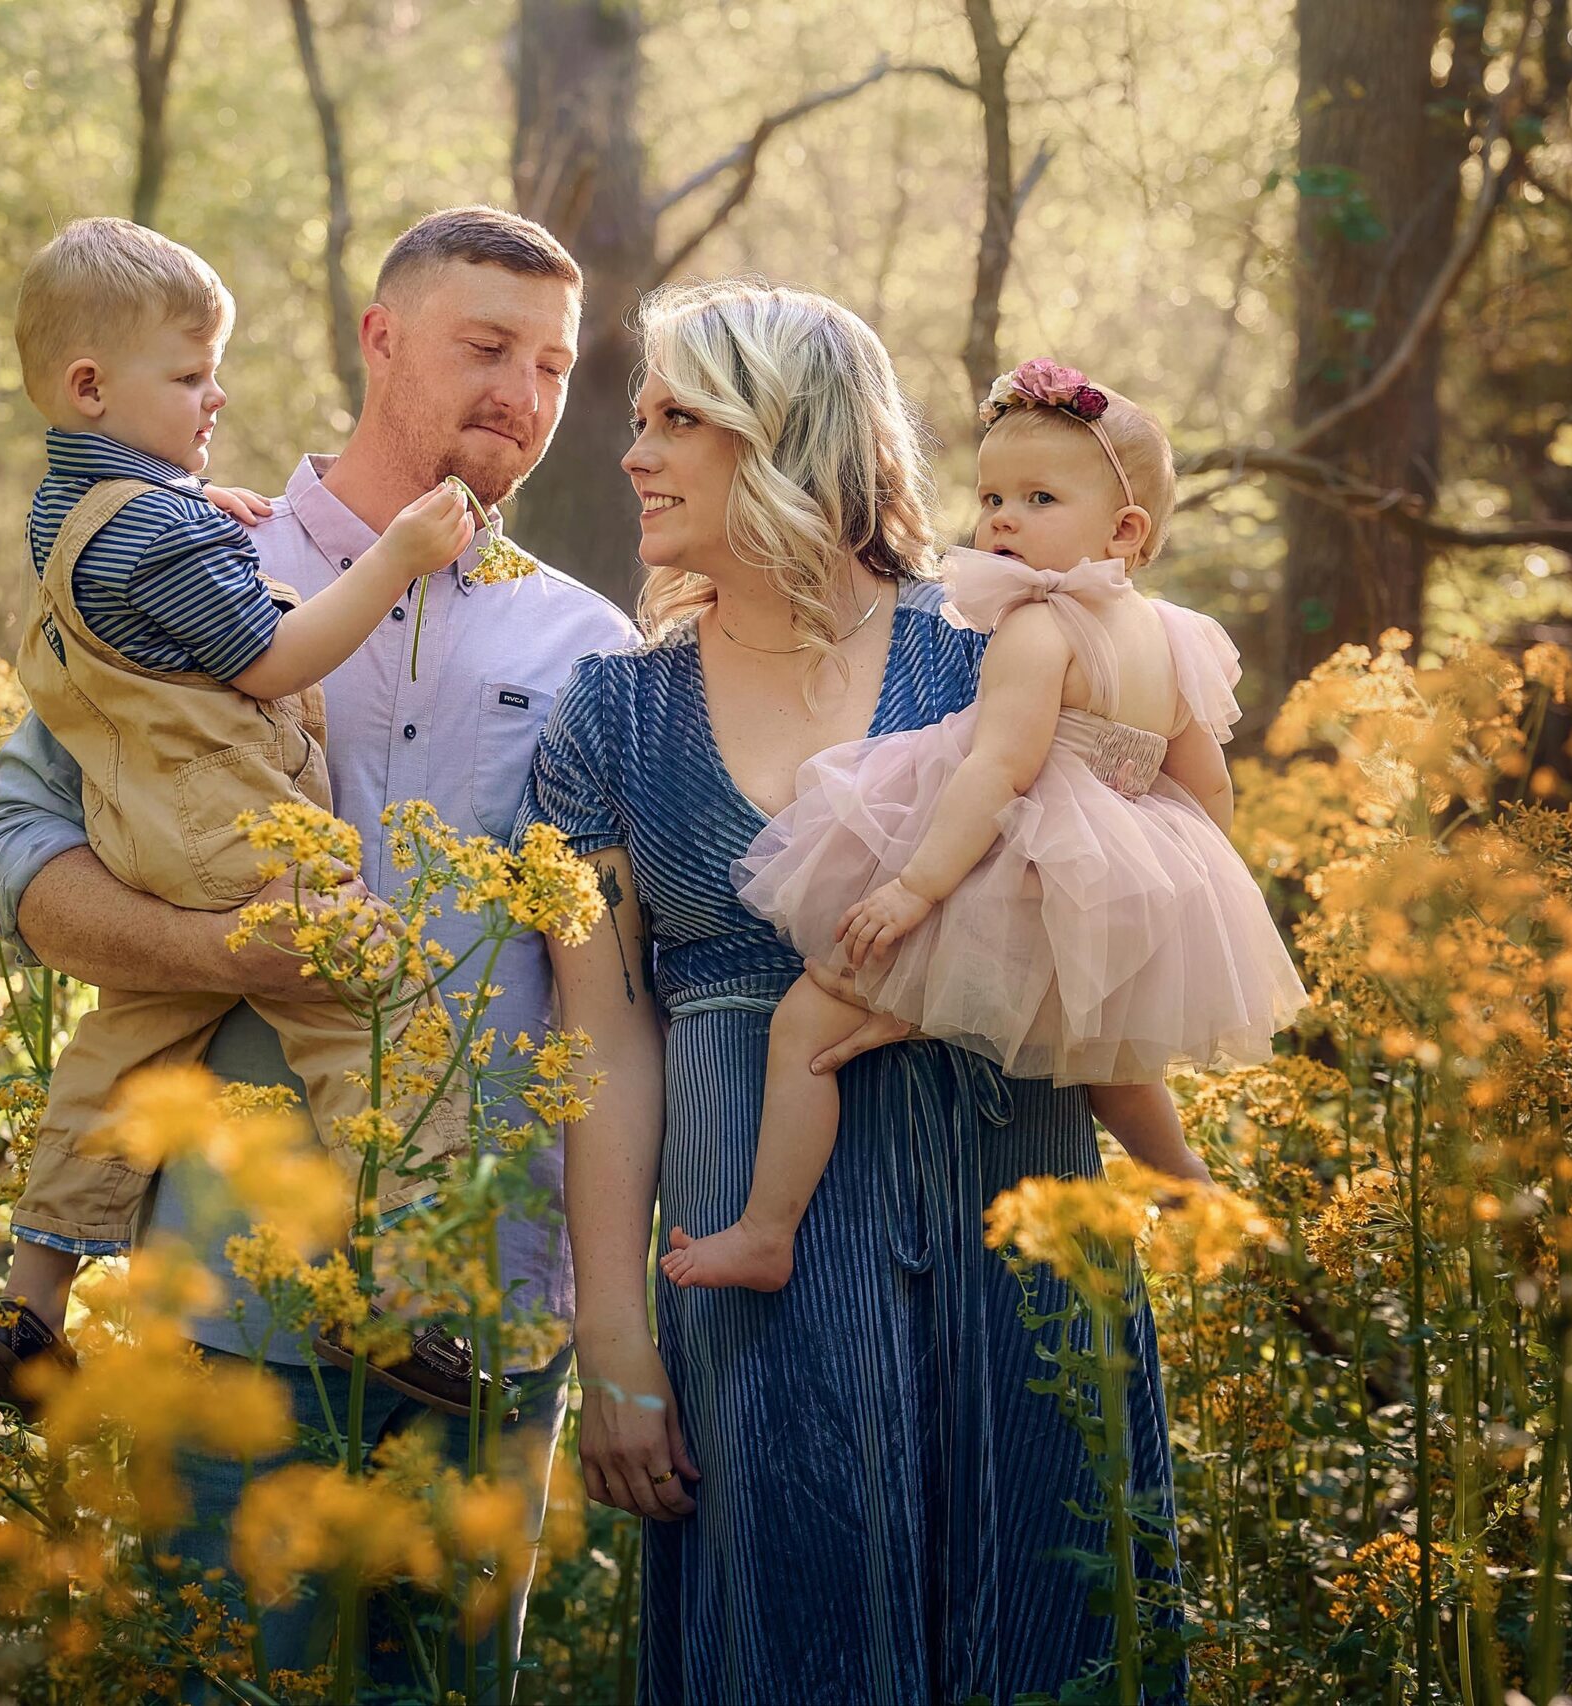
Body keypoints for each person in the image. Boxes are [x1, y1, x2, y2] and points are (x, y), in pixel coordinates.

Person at [0, 206, 633, 1692]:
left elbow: (619, 1005)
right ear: (379, 338)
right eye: (484, 346)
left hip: (489, 1315)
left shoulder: (590, 647)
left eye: (556, 365)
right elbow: (8, 851)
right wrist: (224, 950)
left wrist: (615, 1316)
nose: (521, 390)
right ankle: (33, 1289)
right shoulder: (182, 559)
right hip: (235, 1315)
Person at [523, 280, 1187, 1703]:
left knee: (1041, 1626)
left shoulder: (993, 652)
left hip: (1007, 1225)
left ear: (791, 434)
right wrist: (618, 1343)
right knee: (787, 1635)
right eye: (636, 421)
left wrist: (967, 980)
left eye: (677, 420)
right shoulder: (610, 717)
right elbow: (603, 1043)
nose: (634, 454)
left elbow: (1154, 903)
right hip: (752, 1273)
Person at [0, 216, 479, 1412]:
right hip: (227, 822)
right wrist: (395, 555)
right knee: (375, 1001)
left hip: (138, 828)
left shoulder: (83, 506)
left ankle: (28, 1299)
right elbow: (273, 652)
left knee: (131, 1043)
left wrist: (198, 508)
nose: (216, 394)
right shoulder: (159, 527)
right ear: (92, 386)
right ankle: (387, 1294)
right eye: (189, 376)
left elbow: (143, 563)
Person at [657, 356, 1306, 1293]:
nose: (1000, 518)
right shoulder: (1177, 637)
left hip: (994, 864)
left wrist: (914, 886)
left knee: (808, 1021)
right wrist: (1163, 891)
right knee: (1110, 1055)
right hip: (1107, 873)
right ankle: (1187, 1185)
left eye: (1039, 498)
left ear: (1125, 530)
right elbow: (1205, 789)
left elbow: (998, 768)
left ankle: (766, 1231)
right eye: (991, 495)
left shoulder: (1038, 628)